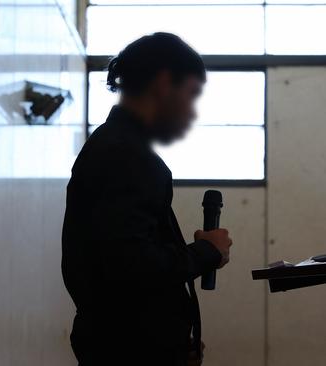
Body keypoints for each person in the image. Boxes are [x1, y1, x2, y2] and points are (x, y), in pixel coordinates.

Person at [61, 33, 233, 366]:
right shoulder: (125, 154)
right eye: (191, 94)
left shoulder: (115, 147)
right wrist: (206, 252)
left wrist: (172, 340)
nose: (192, 111)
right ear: (164, 83)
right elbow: (131, 265)